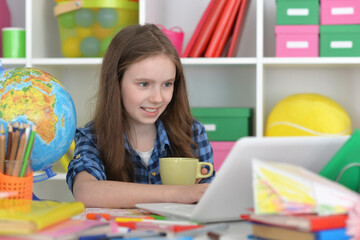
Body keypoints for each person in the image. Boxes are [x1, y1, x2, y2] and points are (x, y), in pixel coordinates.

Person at [66, 24, 215, 208]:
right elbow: (85, 192)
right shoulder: (92, 136)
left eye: (167, 84)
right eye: (144, 84)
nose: (158, 98)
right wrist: (179, 193)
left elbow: (208, 197)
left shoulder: (192, 132)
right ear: (116, 82)